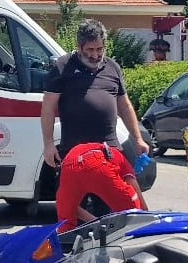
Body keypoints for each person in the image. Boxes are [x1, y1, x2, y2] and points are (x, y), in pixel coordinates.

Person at [41, 19, 149, 170]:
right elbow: (48, 108)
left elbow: (124, 106)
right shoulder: (62, 67)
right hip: (75, 151)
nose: (95, 55)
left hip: (109, 150)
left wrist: (138, 139)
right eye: (90, 50)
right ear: (79, 47)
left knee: (120, 191)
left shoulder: (113, 68)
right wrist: (49, 144)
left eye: (99, 49)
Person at [54, 142, 148, 233]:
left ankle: (64, 244)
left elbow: (73, 208)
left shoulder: (101, 150)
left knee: (65, 218)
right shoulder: (120, 157)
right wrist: (144, 210)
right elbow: (132, 181)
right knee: (133, 214)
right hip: (97, 162)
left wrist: (97, 223)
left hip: (69, 166)